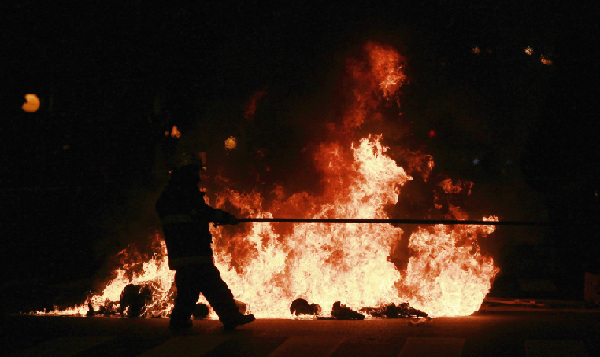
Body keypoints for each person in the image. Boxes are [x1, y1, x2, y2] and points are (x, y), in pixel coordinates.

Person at [156, 163, 255, 333]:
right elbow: (202, 212)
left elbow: (194, 214)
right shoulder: (186, 193)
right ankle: (229, 316)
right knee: (213, 286)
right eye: (195, 173)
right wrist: (225, 217)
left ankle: (181, 322)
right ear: (186, 175)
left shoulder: (168, 197)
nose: (198, 177)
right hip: (194, 249)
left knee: (190, 289)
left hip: (180, 251)